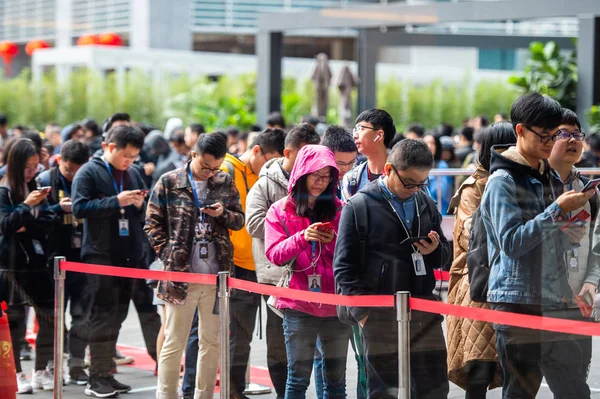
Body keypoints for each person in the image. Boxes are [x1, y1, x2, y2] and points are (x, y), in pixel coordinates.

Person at [480, 93, 594, 398]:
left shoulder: (543, 175)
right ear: (520, 131)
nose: (549, 142)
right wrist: (556, 209)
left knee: (573, 389)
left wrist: (565, 233)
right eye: (544, 135)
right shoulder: (502, 180)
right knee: (521, 392)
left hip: (553, 300)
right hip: (517, 300)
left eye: (553, 134)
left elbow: (539, 235)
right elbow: (512, 244)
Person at [334, 139, 452, 398]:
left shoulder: (424, 202)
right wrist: (362, 314)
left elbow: (445, 254)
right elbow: (343, 266)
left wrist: (434, 252)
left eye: (422, 183)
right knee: (383, 390)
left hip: (423, 309)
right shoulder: (359, 206)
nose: (415, 189)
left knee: (434, 388)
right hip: (379, 314)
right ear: (388, 169)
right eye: (409, 182)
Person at [145, 132, 244, 399]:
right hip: (181, 276)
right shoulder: (169, 182)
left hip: (217, 276)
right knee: (174, 341)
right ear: (193, 155)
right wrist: (169, 253)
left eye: (215, 168)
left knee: (211, 343)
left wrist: (222, 213)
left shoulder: (224, 181)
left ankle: (204, 395)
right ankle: (166, 395)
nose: (209, 173)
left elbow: (239, 221)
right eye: (205, 167)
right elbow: (152, 223)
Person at [265, 145, 350, 398]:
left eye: (326, 176)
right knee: (297, 379)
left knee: (336, 382)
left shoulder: (340, 209)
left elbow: (351, 255)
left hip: (335, 305)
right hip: (298, 304)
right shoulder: (280, 210)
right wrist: (303, 237)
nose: (320, 182)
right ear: (301, 173)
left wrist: (332, 240)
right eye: (315, 175)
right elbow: (275, 255)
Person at [245, 123, 320, 399]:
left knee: (316, 345)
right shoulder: (265, 184)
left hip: (314, 275)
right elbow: (253, 225)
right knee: (280, 344)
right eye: (303, 155)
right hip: (276, 277)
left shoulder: (320, 182)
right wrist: (291, 225)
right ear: (288, 153)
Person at [72, 125, 148, 397]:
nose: (129, 161)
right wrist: (115, 201)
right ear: (110, 147)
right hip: (99, 254)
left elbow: (144, 211)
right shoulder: (88, 172)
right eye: (126, 155)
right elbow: (80, 207)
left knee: (118, 316)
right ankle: (95, 378)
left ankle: (106, 373)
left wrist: (139, 204)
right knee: (101, 316)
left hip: (129, 254)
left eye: (134, 156)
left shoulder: (134, 172)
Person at [446, 122, 516, 398]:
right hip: (478, 285)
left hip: (512, 281)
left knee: (515, 368)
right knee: (480, 369)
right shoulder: (474, 186)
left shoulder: (525, 180)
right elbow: (469, 237)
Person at [220, 128, 284, 398]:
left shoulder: (262, 174)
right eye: (270, 159)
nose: (272, 166)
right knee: (239, 335)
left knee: (272, 335)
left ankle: (241, 389)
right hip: (238, 267)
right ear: (256, 150)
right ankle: (234, 392)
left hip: (263, 266)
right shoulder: (226, 170)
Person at [0, 139, 57, 393]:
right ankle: (17, 373)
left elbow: (48, 222)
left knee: (49, 317)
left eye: (36, 166)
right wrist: (26, 207)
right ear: (15, 165)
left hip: (38, 261)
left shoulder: (37, 186)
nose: (33, 171)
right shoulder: (3, 191)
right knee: (15, 322)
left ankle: (41, 369)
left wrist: (26, 223)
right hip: (11, 264)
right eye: (28, 167)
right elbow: (6, 225)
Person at [548, 108, 600, 384]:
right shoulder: (534, 188)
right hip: (543, 303)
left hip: (581, 300)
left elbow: (597, 244)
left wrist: (592, 281)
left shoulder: (589, 191)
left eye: (576, 134)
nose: (572, 141)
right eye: (563, 134)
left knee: (577, 380)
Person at [37, 139, 91, 386]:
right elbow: (36, 218)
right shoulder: (45, 181)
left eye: (78, 170)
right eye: (69, 169)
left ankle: (77, 366)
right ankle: (48, 366)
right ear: (60, 161)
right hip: (53, 261)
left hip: (82, 260)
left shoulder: (89, 179)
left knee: (82, 315)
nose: (73, 175)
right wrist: (58, 209)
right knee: (52, 317)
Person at [342, 109, 396, 201]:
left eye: (361, 129)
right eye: (355, 129)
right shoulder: (352, 179)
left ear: (379, 135)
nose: (355, 135)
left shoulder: (404, 175)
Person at [321, 125, 358, 198]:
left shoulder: (357, 181)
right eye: (340, 163)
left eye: (351, 162)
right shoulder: (317, 185)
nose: (346, 169)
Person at [424, 133, 453, 215]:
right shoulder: (417, 165)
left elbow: (442, 191)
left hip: (439, 211)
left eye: (432, 143)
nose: (429, 146)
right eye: (426, 143)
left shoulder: (442, 165)